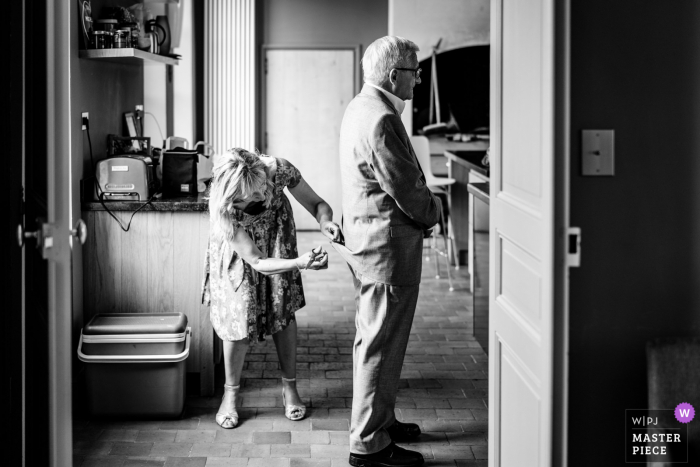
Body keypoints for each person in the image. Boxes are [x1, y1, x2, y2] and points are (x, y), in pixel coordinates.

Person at [335, 36, 442, 467]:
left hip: (368, 242)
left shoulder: (360, 106)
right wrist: (434, 212)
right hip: (386, 248)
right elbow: (407, 189)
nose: (418, 78)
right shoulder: (381, 117)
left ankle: (382, 419)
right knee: (380, 345)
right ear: (394, 74)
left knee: (379, 341)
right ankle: (368, 446)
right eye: (415, 71)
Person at [202, 148, 342, 429]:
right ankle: (230, 395)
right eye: (250, 199)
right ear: (231, 198)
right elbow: (256, 260)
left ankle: (290, 387)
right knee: (237, 317)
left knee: (283, 310)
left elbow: (318, 205)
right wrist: (300, 263)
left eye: (261, 191)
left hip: (278, 238)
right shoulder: (222, 210)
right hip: (242, 254)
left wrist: (325, 222)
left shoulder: (280, 171)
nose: (261, 199)